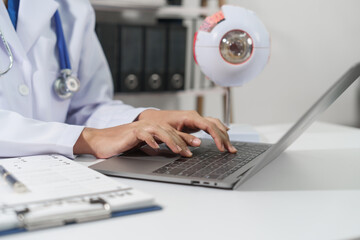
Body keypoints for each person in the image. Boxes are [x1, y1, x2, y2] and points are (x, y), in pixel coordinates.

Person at [0, 0, 236, 159]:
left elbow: (87, 106)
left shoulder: (71, 8)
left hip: (58, 175)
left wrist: (146, 118)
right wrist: (86, 138)